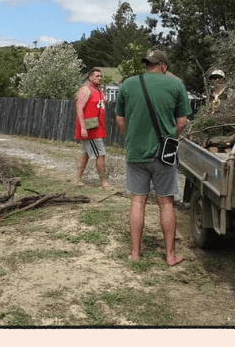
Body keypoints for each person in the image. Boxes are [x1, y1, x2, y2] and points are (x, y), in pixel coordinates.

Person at [115, 50, 191, 266]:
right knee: (166, 202)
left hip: (136, 153)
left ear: (147, 65)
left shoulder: (128, 85)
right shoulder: (176, 85)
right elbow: (183, 122)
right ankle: (170, 256)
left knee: (138, 200)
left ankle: (136, 254)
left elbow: (120, 120)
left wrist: (130, 138)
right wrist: (170, 139)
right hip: (163, 154)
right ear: (164, 66)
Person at [74, 67, 109, 188]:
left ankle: (78, 179)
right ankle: (104, 182)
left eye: (100, 76)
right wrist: (83, 128)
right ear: (90, 77)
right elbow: (79, 108)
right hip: (91, 130)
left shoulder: (99, 91)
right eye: (97, 76)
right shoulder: (85, 89)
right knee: (100, 154)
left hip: (97, 128)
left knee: (85, 154)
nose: (99, 78)